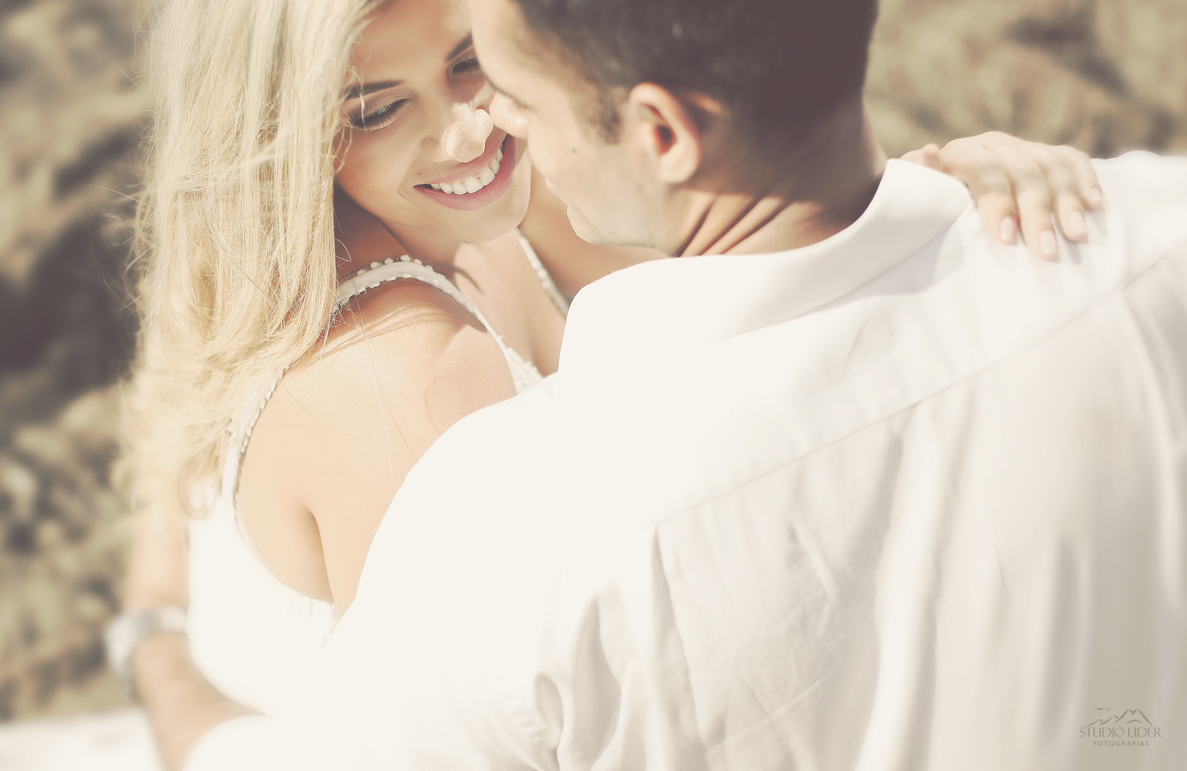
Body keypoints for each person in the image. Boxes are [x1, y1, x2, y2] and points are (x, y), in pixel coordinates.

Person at [115, 1, 1147, 770]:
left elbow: (750, 264)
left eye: (472, 63)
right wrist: (164, 671)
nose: (469, 130)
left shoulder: (458, 211)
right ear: (284, 135)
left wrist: (932, 198)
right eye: (379, 109)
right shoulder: (412, 377)